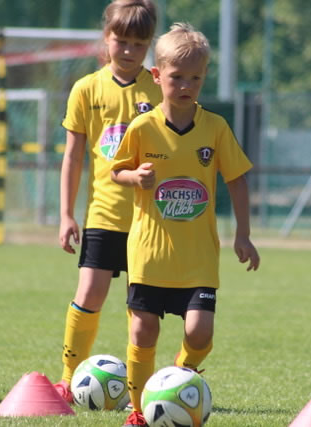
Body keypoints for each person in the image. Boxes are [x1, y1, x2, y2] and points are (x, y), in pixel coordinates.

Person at [111, 22, 261, 427]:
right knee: (143, 332)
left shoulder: (215, 128)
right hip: (150, 254)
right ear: (157, 76)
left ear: (204, 77)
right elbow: (116, 171)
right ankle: (139, 412)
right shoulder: (143, 128)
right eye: (177, 77)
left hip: (198, 258)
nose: (186, 85)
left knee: (200, 332)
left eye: (196, 78)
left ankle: (181, 373)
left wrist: (243, 234)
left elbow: (237, 180)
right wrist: (134, 177)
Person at [55, 0, 161, 403]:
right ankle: (68, 379)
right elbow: (72, 157)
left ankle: (139, 389)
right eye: (122, 41)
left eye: (140, 43)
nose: (130, 50)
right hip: (103, 214)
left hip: (147, 220)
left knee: (141, 309)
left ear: (149, 44)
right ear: (106, 37)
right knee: (89, 294)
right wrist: (66, 214)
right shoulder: (86, 89)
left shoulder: (159, 89)